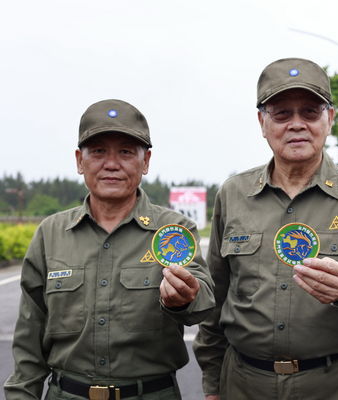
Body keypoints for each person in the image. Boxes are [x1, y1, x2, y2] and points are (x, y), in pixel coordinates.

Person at [193, 57, 338, 400]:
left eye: (310, 112)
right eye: (281, 114)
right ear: (262, 122)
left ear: (330, 119)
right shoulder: (233, 194)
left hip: (336, 383)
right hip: (244, 384)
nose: (297, 124)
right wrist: (213, 383)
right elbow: (216, 296)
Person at [4, 99, 215, 400]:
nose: (112, 164)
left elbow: (203, 302)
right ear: (80, 160)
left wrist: (185, 298)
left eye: (126, 152)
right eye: (99, 151)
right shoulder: (51, 234)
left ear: (146, 162)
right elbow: (29, 335)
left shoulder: (173, 230)